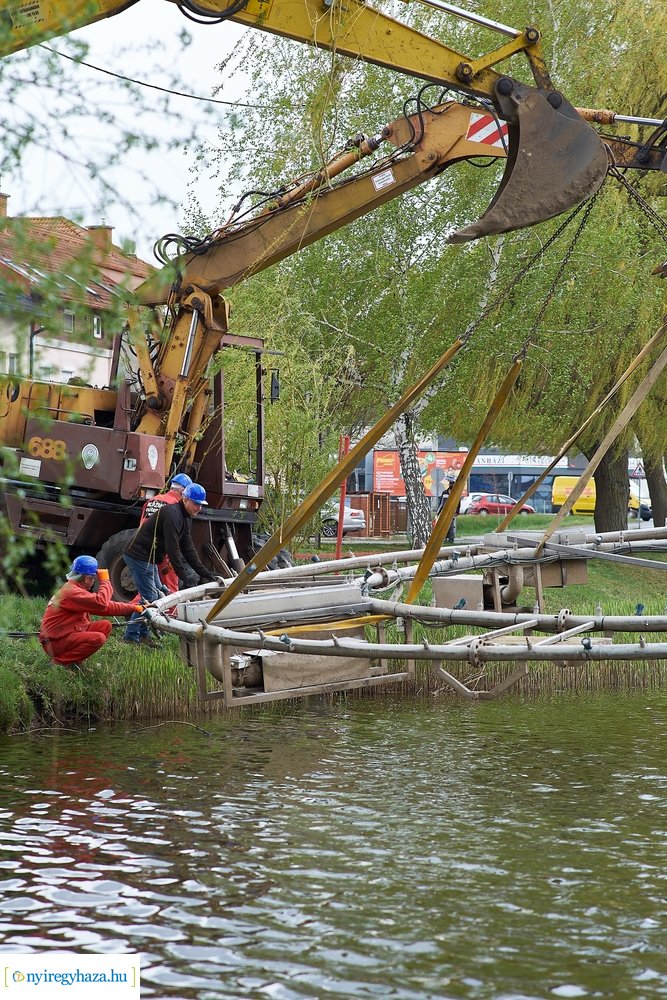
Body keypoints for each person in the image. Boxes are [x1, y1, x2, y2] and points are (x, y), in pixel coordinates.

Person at [122, 483, 222, 646]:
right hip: (139, 556)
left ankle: (142, 634)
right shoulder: (173, 515)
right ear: (185, 499)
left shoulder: (185, 517)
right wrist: (184, 576)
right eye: (196, 504)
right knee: (150, 598)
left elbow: (188, 548)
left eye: (201, 505)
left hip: (149, 557)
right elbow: (173, 549)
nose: (198, 508)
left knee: (156, 592)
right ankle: (131, 636)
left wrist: (206, 573)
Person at [39, 555, 142, 667]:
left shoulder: (75, 589)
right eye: (93, 578)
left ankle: (74, 660)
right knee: (98, 638)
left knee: (105, 625)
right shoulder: (73, 592)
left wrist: (132, 607)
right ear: (87, 579)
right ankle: (59, 662)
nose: (94, 581)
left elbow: (105, 607)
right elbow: (101, 602)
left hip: (65, 635)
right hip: (55, 643)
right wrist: (105, 581)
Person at [140, 472, 193, 593]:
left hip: (145, 553)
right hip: (164, 555)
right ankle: (170, 612)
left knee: (148, 589)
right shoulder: (176, 507)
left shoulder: (151, 501)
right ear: (183, 492)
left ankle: (137, 609)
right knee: (170, 591)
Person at [436, 477, 461, 543]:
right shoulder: (445, 493)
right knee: (443, 526)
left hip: (452, 513)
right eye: (450, 484)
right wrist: (438, 513)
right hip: (444, 513)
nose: (451, 485)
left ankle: (451, 539)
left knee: (451, 526)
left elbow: (458, 503)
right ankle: (443, 539)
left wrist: (457, 512)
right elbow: (441, 504)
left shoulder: (456, 493)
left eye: (452, 484)